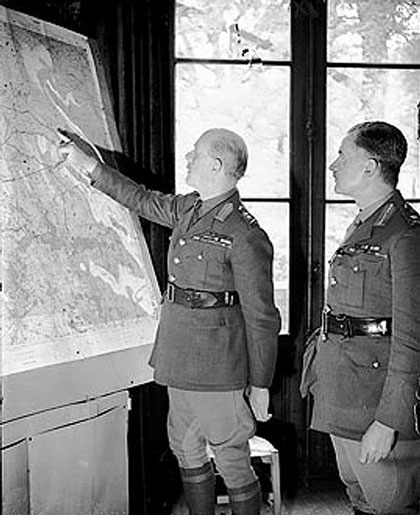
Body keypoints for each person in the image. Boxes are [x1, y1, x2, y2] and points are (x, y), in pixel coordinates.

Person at [57, 128, 281, 515]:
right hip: (179, 356)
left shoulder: (245, 233)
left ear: (216, 165)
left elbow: (262, 317)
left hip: (218, 367)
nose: (188, 159)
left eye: (196, 154)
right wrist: (89, 166)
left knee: (230, 457)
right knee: (185, 447)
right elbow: (140, 198)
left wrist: (261, 383)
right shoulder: (189, 208)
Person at [301, 121, 420, 515]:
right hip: (345, 393)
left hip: (376, 404)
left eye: (342, 155)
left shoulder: (404, 234)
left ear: (370, 167)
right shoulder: (368, 222)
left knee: (391, 504)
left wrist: (389, 421)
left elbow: (411, 340)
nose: (333, 165)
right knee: (361, 499)